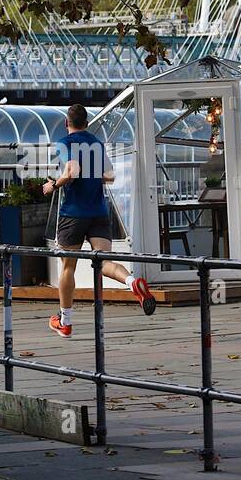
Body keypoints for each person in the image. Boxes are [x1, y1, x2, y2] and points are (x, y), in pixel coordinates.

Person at [43, 103, 154, 338]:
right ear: (87, 123)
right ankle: (132, 282)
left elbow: (71, 170)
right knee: (103, 263)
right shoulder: (96, 143)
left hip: (73, 214)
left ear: (66, 123)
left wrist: (53, 185)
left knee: (68, 267)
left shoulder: (65, 143)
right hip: (99, 212)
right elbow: (111, 176)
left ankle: (66, 322)